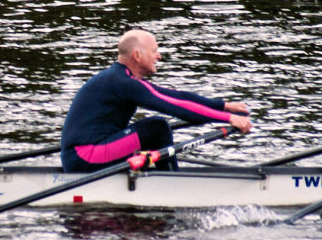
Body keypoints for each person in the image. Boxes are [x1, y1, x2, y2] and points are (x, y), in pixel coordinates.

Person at [61, 29, 252, 172]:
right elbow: (177, 108)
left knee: (158, 127)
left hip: (83, 153)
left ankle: (165, 177)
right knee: (157, 128)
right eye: (154, 50)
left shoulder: (121, 78)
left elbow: (177, 97)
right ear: (137, 55)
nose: (159, 56)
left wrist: (224, 106)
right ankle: (170, 183)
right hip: (84, 157)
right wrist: (228, 119)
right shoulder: (123, 82)